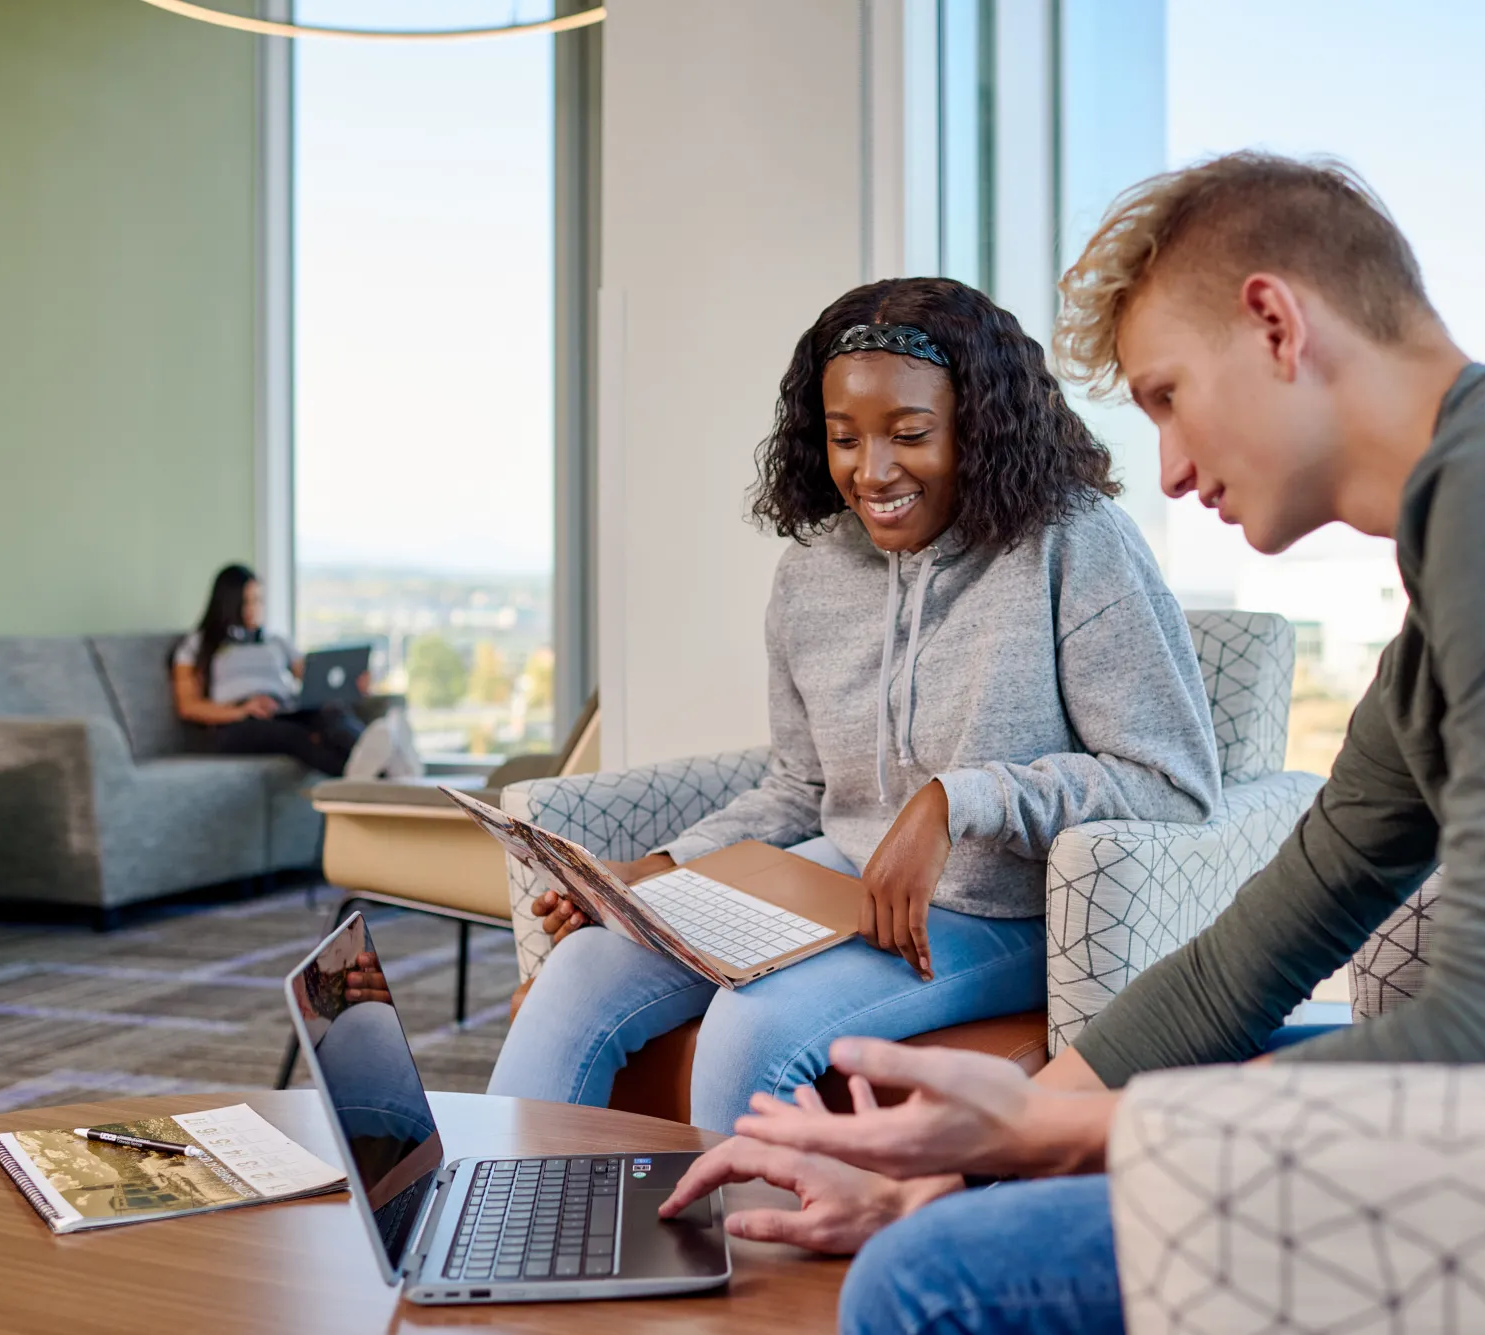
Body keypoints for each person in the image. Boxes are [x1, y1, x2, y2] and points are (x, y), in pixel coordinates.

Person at [655, 152, 1485, 1333]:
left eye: (1164, 397)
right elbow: (1264, 942)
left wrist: (1070, 1131)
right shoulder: (1470, 570)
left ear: (1272, 324)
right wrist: (955, 1168)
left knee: (926, 1284)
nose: (1171, 468)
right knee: (948, 1223)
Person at [486, 277, 1222, 1134]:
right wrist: (663, 869)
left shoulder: (1077, 543)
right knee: (581, 973)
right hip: (837, 880)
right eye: (844, 439)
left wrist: (957, 801)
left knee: (751, 1026)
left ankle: (736, 1266)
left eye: (909, 434)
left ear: (977, 429)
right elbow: (799, 788)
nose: (871, 473)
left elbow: (1171, 785)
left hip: (1004, 915)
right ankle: (496, 1241)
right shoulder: (814, 570)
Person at [171, 564, 420, 779]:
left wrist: (354, 684)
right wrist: (241, 710)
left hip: (282, 709)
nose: (253, 608)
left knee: (329, 710)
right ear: (226, 604)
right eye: (246, 602)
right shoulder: (197, 645)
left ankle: (381, 754)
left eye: (258, 600)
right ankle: (388, 773)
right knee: (298, 736)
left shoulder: (275, 641)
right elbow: (189, 706)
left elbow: (314, 677)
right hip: (238, 722)